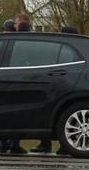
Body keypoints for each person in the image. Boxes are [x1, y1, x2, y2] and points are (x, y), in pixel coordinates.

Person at [31, 23, 76, 155]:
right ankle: (63, 144)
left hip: (59, 86)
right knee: (64, 114)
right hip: (64, 85)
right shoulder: (71, 48)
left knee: (48, 112)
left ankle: (47, 143)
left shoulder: (64, 49)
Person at [0, 18, 27, 154]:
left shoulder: (5, 43)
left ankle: (5, 143)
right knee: (14, 115)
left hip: (5, 82)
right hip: (14, 81)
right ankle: (13, 143)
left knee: (5, 115)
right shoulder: (17, 43)